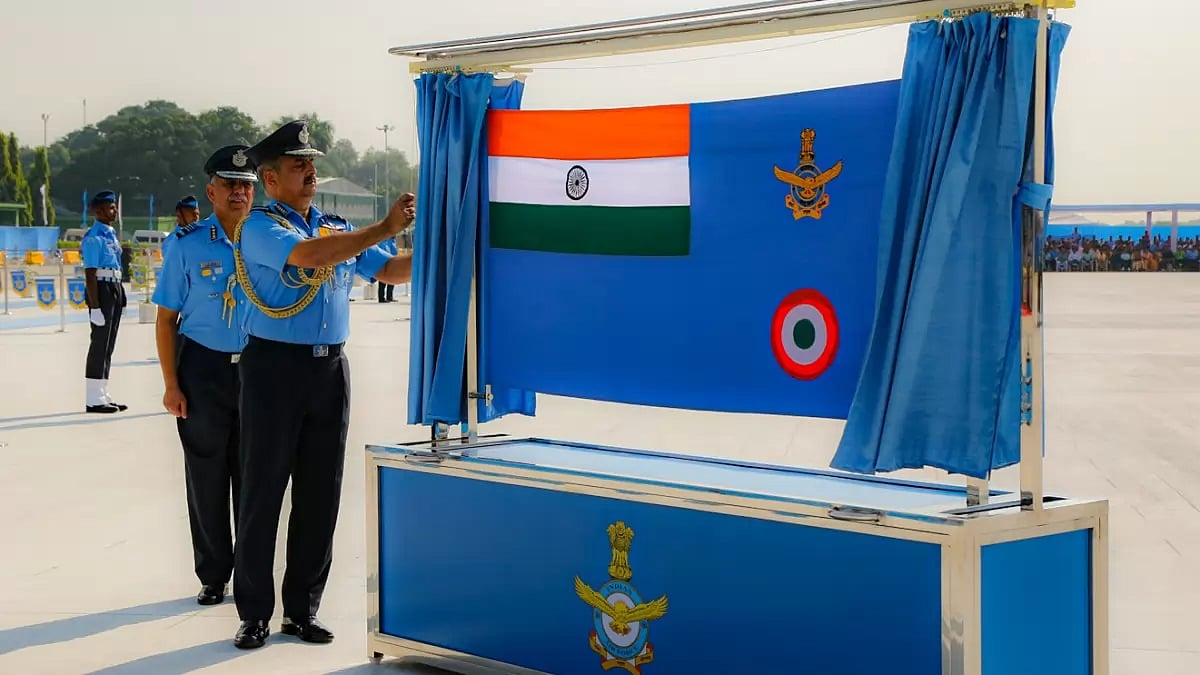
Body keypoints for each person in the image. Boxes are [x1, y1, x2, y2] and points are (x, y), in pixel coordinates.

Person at [231, 120, 415, 649]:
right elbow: (308, 257)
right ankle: (254, 613)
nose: (310, 171)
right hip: (274, 369)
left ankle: (301, 609)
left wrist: (439, 250)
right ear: (269, 178)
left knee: (320, 494)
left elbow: (391, 271)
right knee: (262, 492)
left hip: (329, 369)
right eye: (297, 165)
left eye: (311, 163)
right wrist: (381, 228)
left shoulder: (334, 227)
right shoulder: (261, 226)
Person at [152, 145, 258, 606]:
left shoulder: (269, 239)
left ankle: (254, 575)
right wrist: (172, 383)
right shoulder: (186, 244)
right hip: (203, 369)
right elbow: (165, 318)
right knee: (206, 474)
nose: (239, 192)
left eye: (246, 185)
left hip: (259, 370)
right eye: (230, 184)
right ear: (211, 191)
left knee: (256, 476)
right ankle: (213, 573)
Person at [81, 191, 128, 414]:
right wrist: (96, 306)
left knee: (109, 345)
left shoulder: (110, 234)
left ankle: (103, 392)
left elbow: (117, 267)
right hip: (101, 290)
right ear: (97, 211)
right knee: (99, 344)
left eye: (114, 207)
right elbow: (90, 275)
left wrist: (122, 295)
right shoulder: (94, 237)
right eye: (110, 207)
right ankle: (93, 398)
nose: (114, 210)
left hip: (114, 288)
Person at [162, 195, 202, 260]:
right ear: (179, 215)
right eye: (191, 214)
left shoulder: (202, 236)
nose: (196, 217)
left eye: (197, 214)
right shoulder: (172, 241)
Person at [376, 235, 399, 302]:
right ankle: (381, 298)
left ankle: (389, 296)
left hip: (392, 263)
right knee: (383, 282)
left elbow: (394, 252)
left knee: (392, 281)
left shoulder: (392, 241)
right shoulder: (384, 242)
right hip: (384, 263)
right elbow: (384, 252)